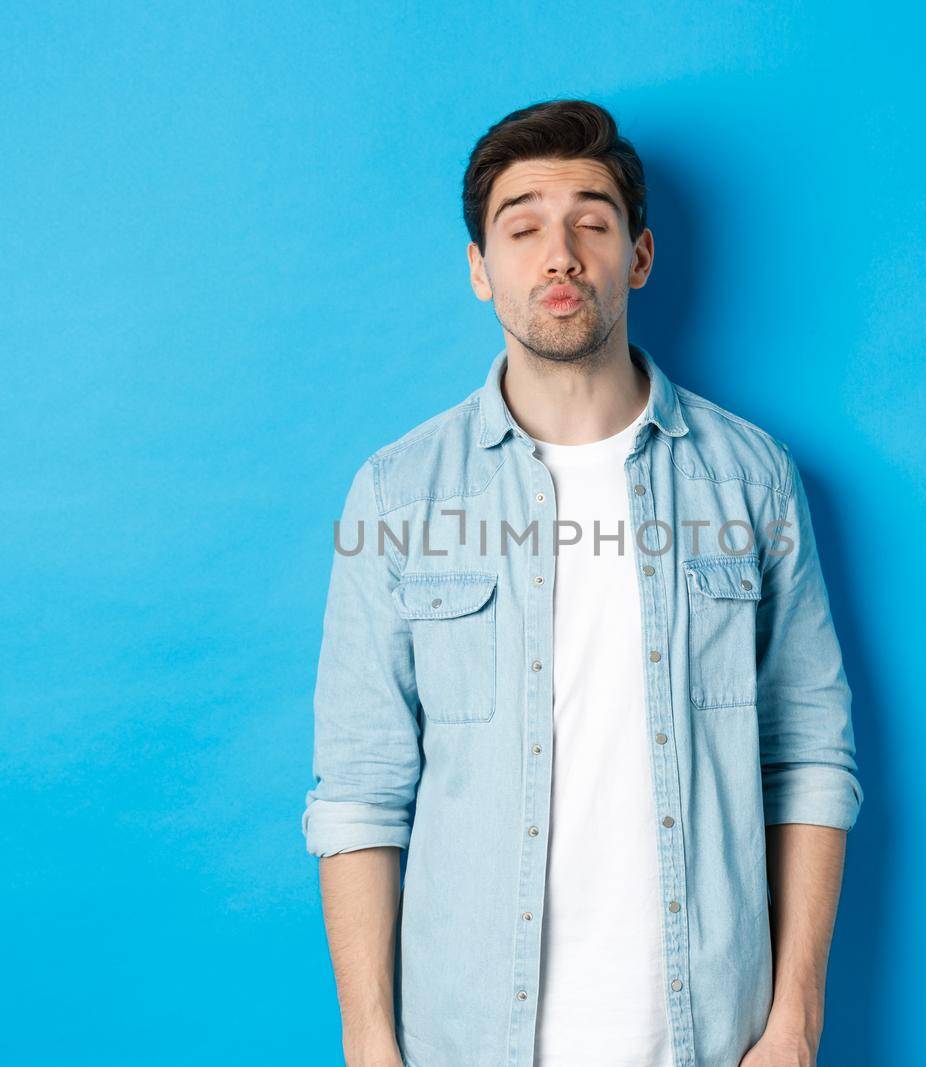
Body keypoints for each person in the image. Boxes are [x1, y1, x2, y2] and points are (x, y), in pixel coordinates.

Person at [301, 98, 862, 1067]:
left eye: (590, 222)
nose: (557, 253)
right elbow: (358, 789)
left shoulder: (752, 476)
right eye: (521, 227)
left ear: (637, 256)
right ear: (480, 267)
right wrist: (370, 1045)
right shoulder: (397, 490)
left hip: (712, 1035)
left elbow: (810, 756)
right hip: (468, 1039)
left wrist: (794, 1022)